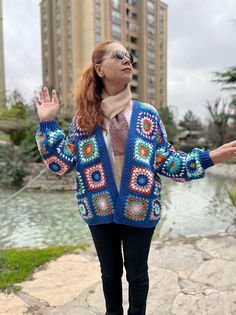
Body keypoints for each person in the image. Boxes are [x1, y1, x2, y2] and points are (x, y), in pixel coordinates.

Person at [35, 40, 236, 315]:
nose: (126, 59)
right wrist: (47, 122)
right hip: (99, 209)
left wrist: (209, 157)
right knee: (109, 274)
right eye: (118, 55)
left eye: (129, 55)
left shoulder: (147, 116)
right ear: (100, 69)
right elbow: (62, 163)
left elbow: (167, 161)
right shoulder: (84, 119)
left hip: (140, 209)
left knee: (137, 275)